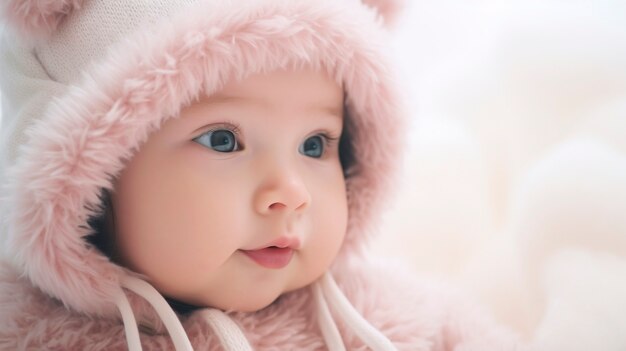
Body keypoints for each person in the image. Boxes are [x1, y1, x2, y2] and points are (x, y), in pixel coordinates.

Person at [0, 0, 521, 349]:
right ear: (91, 176)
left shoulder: (390, 322)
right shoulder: (21, 330)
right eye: (223, 140)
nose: (290, 195)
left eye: (315, 145)